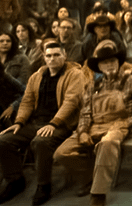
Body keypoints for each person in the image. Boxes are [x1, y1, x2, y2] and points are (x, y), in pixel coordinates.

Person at [53, 44, 132, 206]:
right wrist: (83, 131)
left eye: (112, 61)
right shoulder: (93, 85)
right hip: (94, 125)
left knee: (107, 143)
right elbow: (85, 113)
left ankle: (98, 194)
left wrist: (128, 122)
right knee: (61, 153)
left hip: (119, 125)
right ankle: (92, 174)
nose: (109, 65)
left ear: (118, 62)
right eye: (105, 62)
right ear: (99, 67)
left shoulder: (131, 81)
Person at [0, 40, 84, 205]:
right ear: (44, 58)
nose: (52, 59)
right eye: (49, 56)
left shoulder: (75, 74)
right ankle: (15, 180)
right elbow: (27, 101)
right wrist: (19, 122)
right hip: (36, 122)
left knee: (41, 142)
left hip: (62, 124)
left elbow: (71, 101)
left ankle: (43, 185)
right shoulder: (36, 76)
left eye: (56, 55)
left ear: (64, 55)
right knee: (3, 141)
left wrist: (53, 123)